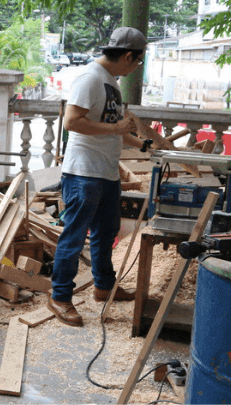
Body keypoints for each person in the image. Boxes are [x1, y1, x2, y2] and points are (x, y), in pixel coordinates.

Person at [48, 27, 152, 327]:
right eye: (138, 61)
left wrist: (140, 143)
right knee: (75, 235)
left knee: (107, 233)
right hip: (83, 172)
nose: (136, 68)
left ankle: (104, 286)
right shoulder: (90, 78)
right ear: (129, 55)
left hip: (106, 172)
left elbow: (112, 127)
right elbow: (72, 122)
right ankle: (60, 297)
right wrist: (118, 130)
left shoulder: (111, 83)